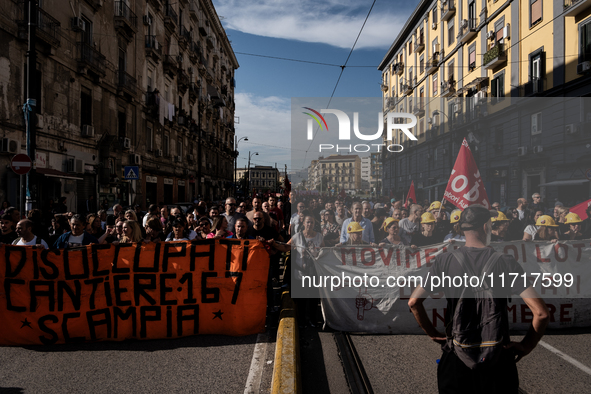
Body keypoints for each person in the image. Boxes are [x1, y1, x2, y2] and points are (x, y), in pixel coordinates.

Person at [408, 204, 550, 394]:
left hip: (456, 359)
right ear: (485, 227)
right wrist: (526, 345)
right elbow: (541, 313)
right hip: (497, 359)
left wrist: (433, 334)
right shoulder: (505, 262)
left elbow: (414, 302)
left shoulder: (445, 261)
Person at [287, 213, 323, 327]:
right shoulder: (297, 236)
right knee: (301, 300)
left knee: (313, 299)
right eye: (307, 222)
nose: (309, 224)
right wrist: (273, 244)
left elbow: (324, 253)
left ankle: (313, 320)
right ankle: (301, 321)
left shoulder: (319, 237)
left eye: (312, 222)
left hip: (314, 274)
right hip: (300, 274)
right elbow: (285, 247)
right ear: (303, 223)